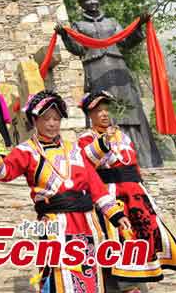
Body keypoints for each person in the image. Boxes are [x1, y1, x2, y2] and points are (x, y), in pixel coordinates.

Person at [0, 91, 131, 293]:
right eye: (46, 119)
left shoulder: (74, 150)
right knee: (58, 271)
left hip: (86, 222)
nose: (52, 124)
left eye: (56, 119)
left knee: (88, 271)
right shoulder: (26, 151)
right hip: (53, 222)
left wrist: (116, 214)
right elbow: (4, 173)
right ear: (35, 120)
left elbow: (95, 185)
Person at [78, 90, 176, 289]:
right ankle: (123, 285)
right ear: (90, 115)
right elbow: (86, 163)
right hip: (112, 197)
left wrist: (143, 189)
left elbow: (134, 166)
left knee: (144, 238)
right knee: (120, 239)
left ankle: (141, 279)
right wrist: (103, 143)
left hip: (136, 197)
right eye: (98, 110)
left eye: (106, 109)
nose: (104, 114)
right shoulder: (86, 139)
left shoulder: (122, 136)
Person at [56, 0, 162, 168]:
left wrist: (138, 26)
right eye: (87, 0)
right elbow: (78, 49)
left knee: (129, 110)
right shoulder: (79, 26)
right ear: (82, 4)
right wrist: (65, 36)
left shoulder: (112, 22)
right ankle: (110, 159)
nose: (92, 2)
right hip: (95, 71)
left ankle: (142, 158)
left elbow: (126, 42)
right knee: (103, 111)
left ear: (99, 0)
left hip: (118, 69)